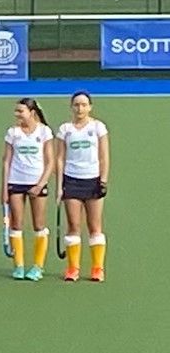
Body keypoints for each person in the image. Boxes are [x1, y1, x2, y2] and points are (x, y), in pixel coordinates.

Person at [56, 91, 110, 282]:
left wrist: (103, 180)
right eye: (77, 105)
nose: (80, 108)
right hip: (72, 180)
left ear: (90, 107)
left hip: (93, 180)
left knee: (94, 225)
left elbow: (104, 156)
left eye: (84, 105)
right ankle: (73, 268)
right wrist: (59, 185)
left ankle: (97, 268)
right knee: (73, 225)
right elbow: (60, 158)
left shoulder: (98, 127)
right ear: (72, 107)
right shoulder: (65, 129)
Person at [1, 98, 54, 281]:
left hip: (37, 183)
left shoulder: (44, 132)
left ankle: (37, 267)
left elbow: (50, 161)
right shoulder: (13, 133)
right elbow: (6, 161)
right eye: (16, 111)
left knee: (39, 224)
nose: (17, 115)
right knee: (16, 224)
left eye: (20, 111)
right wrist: (4, 188)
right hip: (16, 182)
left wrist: (40, 184)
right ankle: (19, 266)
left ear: (31, 113)